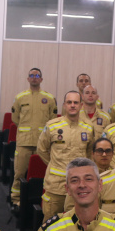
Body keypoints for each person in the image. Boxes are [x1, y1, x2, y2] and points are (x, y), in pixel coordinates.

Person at [36, 90, 94, 221]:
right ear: (64, 105)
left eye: (75, 102)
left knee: (75, 223)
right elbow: (41, 149)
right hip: (56, 185)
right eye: (69, 102)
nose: (72, 105)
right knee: (50, 223)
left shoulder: (88, 128)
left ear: (81, 105)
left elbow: (89, 154)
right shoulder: (52, 126)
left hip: (79, 186)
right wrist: (54, 164)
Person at [9, 68, 57, 208]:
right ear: (28, 79)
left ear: (41, 79)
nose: (34, 77)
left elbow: (52, 120)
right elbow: (15, 118)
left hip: (42, 144)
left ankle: (37, 199)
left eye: (37, 75)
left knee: (41, 174)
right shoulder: (20, 97)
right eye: (31, 75)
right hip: (24, 142)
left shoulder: (49, 98)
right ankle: (16, 200)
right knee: (19, 173)